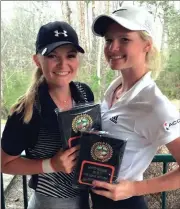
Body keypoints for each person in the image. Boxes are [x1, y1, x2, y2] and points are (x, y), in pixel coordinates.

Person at [90, 5, 180, 209]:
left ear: (146, 45)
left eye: (124, 39)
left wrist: (134, 188)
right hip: (98, 200)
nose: (112, 48)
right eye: (109, 40)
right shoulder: (114, 90)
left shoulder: (153, 104)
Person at [1, 21, 94, 209]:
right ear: (37, 60)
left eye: (71, 55)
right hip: (51, 202)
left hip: (87, 198)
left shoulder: (85, 94)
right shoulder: (26, 111)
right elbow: (4, 164)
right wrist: (50, 165)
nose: (63, 64)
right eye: (52, 56)